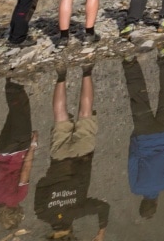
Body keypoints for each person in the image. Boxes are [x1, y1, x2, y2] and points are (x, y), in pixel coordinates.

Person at [35, 66, 109, 240]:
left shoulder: (78, 210)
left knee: (85, 114)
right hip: (58, 159)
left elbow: (103, 207)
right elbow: (40, 184)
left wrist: (100, 233)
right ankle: (61, 74)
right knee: (60, 116)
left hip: (82, 157)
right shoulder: (42, 213)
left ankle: (87, 71)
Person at [124, 51, 164, 219]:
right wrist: (135, 138)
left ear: (156, 203)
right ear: (142, 202)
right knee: (138, 96)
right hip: (143, 136)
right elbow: (132, 159)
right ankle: (130, 61)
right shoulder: (136, 187)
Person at [0, 79, 37, 234]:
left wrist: (33, 146)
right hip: (1, 151)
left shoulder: (19, 197)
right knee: (13, 115)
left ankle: (14, 82)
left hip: (18, 150)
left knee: (22, 111)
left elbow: (25, 171)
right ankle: (11, 82)